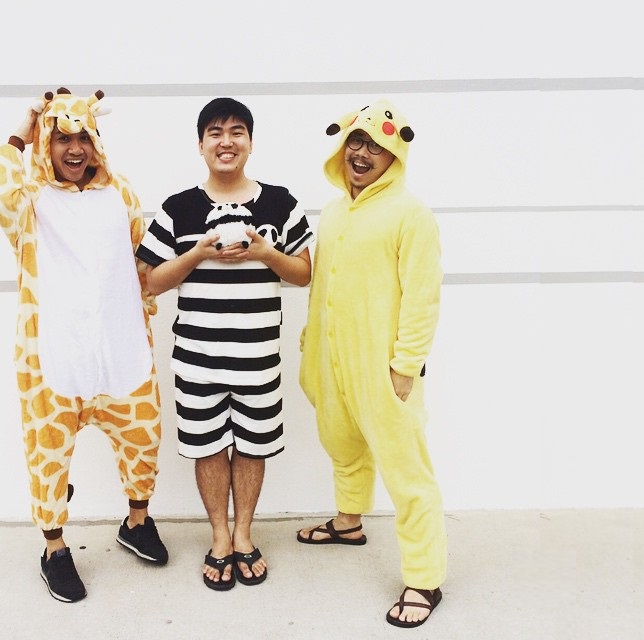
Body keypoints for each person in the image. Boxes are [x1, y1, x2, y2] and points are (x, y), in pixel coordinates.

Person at [0, 87, 168, 604]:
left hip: (121, 349)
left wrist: (146, 310)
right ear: (46, 143)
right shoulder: (29, 200)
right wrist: (25, 125)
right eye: (62, 138)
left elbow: (140, 258)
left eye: (83, 136)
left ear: (97, 141)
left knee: (144, 441)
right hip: (52, 357)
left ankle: (137, 522)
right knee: (48, 455)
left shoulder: (121, 192)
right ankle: (54, 549)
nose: (75, 148)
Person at [136, 97, 313, 591]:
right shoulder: (178, 208)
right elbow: (150, 282)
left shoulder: (281, 203)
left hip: (258, 359)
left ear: (250, 143)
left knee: (253, 446)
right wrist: (196, 252)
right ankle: (219, 536)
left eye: (237, 131)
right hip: (197, 360)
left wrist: (265, 252)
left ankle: (243, 535)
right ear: (201, 145)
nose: (226, 141)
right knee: (208, 447)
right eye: (215, 132)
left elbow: (304, 274)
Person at [295, 99, 446, 629]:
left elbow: (423, 296)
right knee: (343, 444)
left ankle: (424, 578)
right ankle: (348, 521)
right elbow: (322, 286)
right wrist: (310, 344)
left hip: (383, 366)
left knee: (407, 472)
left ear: (394, 156)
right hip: (331, 357)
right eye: (355, 142)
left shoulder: (411, 214)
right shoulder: (334, 211)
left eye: (376, 146)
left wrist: (406, 365)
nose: (361, 153)